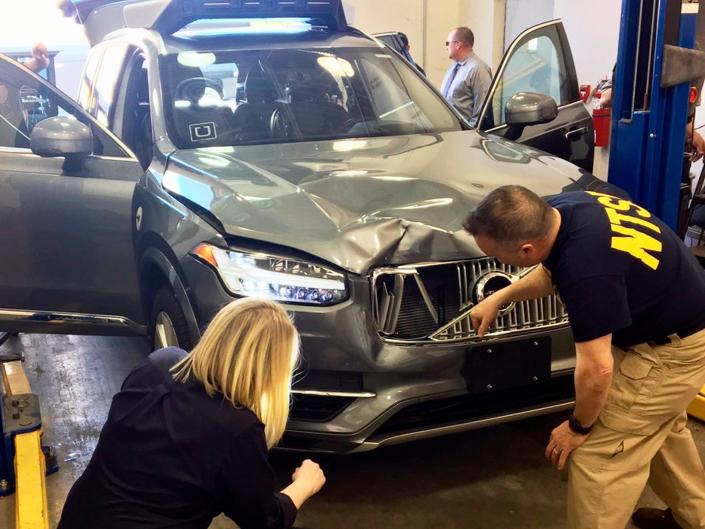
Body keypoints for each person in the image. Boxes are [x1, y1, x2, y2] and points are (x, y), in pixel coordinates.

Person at [464, 185, 705, 529]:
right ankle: (696, 518)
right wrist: (501, 296)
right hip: (679, 326)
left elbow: (597, 369)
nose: (501, 265)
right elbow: (550, 271)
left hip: (672, 351)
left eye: (502, 260)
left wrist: (578, 427)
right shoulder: (566, 207)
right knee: (656, 429)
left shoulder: (587, 271)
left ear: (527, 249)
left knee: (601, 455)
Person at [56, 298, 326, 529]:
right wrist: (304, 484)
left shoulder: (160, 364)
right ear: (272, 374)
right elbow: (265, 520)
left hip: (79, 517)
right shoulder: (237, 428)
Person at [440, 26, 492, 127]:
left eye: (448, 43)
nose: (446, 47)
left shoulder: (478, 69)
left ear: (458, 44)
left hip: (464, 135)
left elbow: (482, 113)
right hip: (449, 131)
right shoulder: (453, 68)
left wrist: (468, 134)